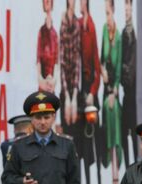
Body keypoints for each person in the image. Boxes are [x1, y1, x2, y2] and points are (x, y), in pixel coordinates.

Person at [77, 0, 105, 184]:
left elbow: (96, 63)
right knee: (81, 148)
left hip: (89, 94)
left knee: (95, 142)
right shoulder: (76, 25)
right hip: (78, 93)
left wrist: (92, 92)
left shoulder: (92, 27)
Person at [101, 0, 122, 171]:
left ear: (113, 11)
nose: (107, 18)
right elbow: (101, 59)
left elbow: (119, 64)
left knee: (114, 109)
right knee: (104, 110)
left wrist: (114, 90)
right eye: (105, 13)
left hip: (114, 87)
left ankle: (116, 149)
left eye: (108, 13)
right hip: (105, 83)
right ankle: (107, 151)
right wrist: (102, 71)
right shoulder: (103, 30)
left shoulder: (119, 36)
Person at [59, 0, 81, 136]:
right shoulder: (63, 24)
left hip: (74, 86)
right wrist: (67, 95)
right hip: (65, 87)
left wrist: (74, 96)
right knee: (65, 123)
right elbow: (61, 62)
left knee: (75, 124)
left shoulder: (77, 24)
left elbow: (77, 61)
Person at [121, 0, 137, 168]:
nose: (126, 12)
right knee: (125, 131)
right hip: (127, 92)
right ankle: (127, 166)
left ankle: (134, 165)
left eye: (128, 9)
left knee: (133, 132)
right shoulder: (123, 34)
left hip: (134, 93)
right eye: (124, 10)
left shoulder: (134, 34)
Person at [37, 0, 58, 93]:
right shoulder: (41, 32)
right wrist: (41, 81)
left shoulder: (55, 34)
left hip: (51, 85)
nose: (47, 2)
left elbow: (57, 62)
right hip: (43, 84)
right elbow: (38, 61)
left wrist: (53, 81)